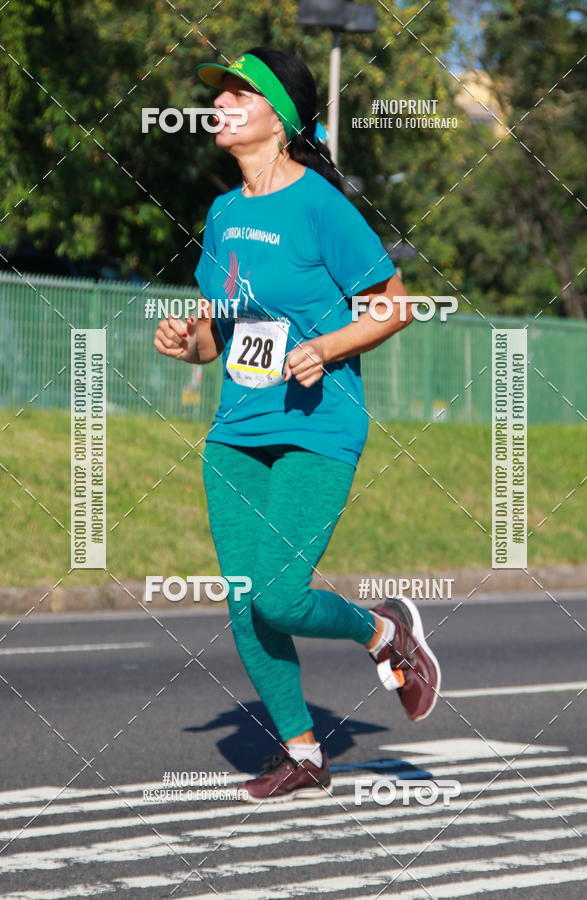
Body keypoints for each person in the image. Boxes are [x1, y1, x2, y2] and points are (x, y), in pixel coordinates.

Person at [153, 46, 441, 803]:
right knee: (245, 596)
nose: (219, 103)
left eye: (239, 94)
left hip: (319, 424)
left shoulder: (318, 204)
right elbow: (221, 331)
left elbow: (394, 304)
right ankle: (304, 751)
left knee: (280, 596)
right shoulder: (223, 212)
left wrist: (324, 346)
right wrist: (193, 344)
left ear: (279, 118)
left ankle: (384, 632)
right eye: (218, 94)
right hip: (237, 429)